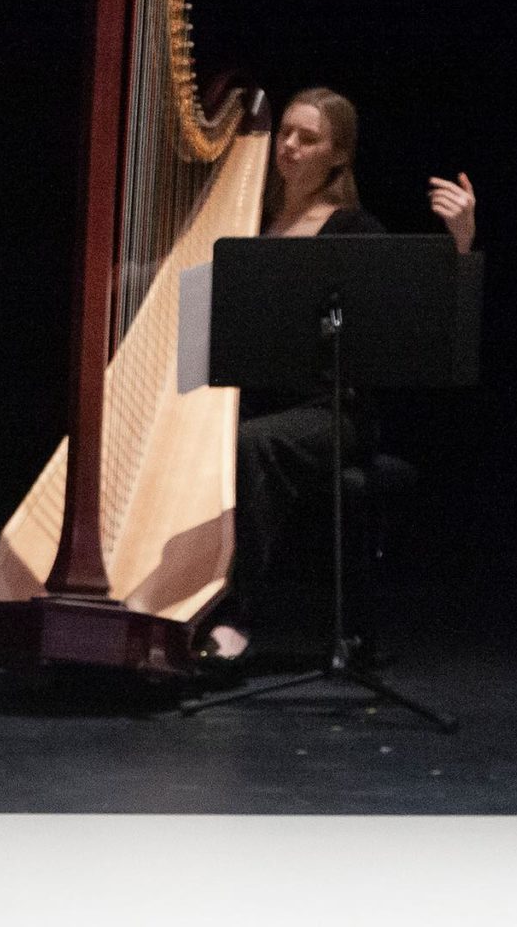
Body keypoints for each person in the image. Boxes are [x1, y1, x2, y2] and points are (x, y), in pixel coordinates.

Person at [207, 87, 477, 662]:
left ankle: (236, 616)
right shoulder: (247, 220)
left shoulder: (355, 229)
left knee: (250, 443)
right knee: (206, 438)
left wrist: (459, 242)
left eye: (308, 139)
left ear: (338, 156)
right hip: (257, 402)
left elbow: (419, 315)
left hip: (332, 411)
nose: (289, 146)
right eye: (285, 133)